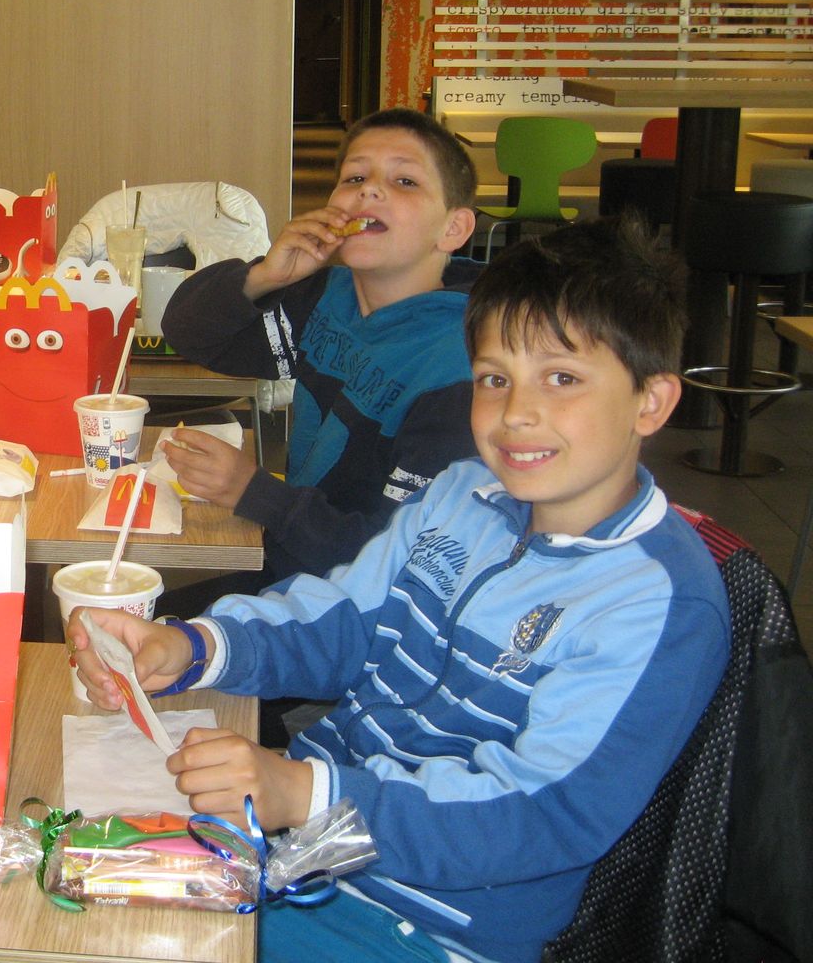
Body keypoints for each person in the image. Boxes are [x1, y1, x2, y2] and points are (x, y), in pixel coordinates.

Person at [70, 217, 731, 963]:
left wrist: (306, 793)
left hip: (425, 921)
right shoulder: (463, 493)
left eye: (563, 378)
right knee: (52, 879)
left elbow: (544, 815)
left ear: (651, 402)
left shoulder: (656, 601)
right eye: (494, 379)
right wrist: (191, 646)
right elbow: (343, 621)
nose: (517, 413)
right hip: (305, 851)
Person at [156, 107, 482, 619]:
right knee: (109, 623)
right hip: (294, 565)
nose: (370, 191)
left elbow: (403, 560)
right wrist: (265, 276)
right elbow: (189, 334)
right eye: (355, 177)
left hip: (361, 614)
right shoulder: (327, 298)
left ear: (454, 228)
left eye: (404, 181)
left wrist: (253, 492)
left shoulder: (462, 370)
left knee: (123, 638)